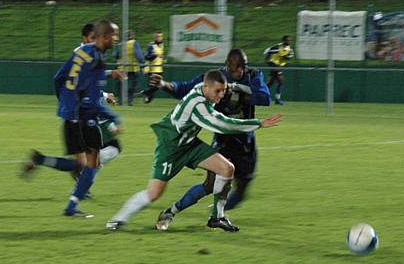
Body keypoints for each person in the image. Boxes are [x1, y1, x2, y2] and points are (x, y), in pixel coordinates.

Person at [106, 69, 281, 232]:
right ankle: (118, 219)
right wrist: (258, 123)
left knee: (227, 168)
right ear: (206, 87)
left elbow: (222, 91)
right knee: (155, 192)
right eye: (218, 91)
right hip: (171, 147)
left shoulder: (203, 89)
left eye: (223, 90)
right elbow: (223, 124)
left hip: (189, 143)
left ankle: (217, 217)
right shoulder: (198, 106)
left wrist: (232, 87)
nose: (221, 95)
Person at [147, 49, 271, 232]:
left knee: (242, 187)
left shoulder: (253, 75)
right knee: (211, 183)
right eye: (238, 67)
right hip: (223, 140)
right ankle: (175, 212)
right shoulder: (214, 79)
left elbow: (264, 98)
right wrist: (164, 84)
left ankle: (218, 211)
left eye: (244, 66)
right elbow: (184, 88)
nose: (242, 70)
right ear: (228, 65)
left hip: (245, 142)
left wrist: (239, 88)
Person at [22, 23, 123, 192]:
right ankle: (81, 185)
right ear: (85, 39)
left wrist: (104, 94)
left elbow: (82, 82)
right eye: (92, 38)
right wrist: (68, 102)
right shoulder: (83, 53)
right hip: (81, 114)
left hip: (83, 112)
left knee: (89, 159)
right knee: (106, 152)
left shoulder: (91, 54)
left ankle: (45, 162)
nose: (95, 41)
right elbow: (75, 82)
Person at [55, 19, 120, 217]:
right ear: (104, 36)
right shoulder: (98, 60)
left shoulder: (81, 52)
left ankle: (72, 206)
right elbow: (92, 98)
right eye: (114, 35)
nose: (116, 39)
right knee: (93, 162)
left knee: (85, 162)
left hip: (70, 114)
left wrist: (65, 104)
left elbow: (58, 78)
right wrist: (113, 118)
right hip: (84, 116)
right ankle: (71, 207)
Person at [112, 30, 145, 105]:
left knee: (120, 86)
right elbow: (139, 56)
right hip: (133, 68)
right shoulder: (134, 43)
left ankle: (120, 101)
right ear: (132, 36)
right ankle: (129, 100)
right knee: (133, 85)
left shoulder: (119, 44)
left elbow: (115, 55)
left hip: (122, 68)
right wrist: (143, 64)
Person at [264, 35, 294, 105]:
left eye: (290, 40)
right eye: (287, 40)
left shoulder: (290, 50)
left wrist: (285, 57)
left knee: (270, 83)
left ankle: (261, 95)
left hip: (280, 66)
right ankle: (277, 99)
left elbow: (289, 57)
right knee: (280, 81)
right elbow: (267, 51)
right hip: (274, 64)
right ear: (283, 41)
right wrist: (267, 60)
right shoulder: (277, 47)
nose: (289, 42)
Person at [141, 31, 165, 103]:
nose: (159, 38)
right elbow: (147, 57)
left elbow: (161, 56)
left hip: (160, 69)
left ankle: (146, 96)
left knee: (156, 86)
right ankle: (146, 96)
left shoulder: (162, 45)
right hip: (153, 69)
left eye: (160, 36)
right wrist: (155, 55)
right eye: (157, 36)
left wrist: (162, 59)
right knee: (154, 85)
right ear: (155, 37)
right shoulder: (151, 45)